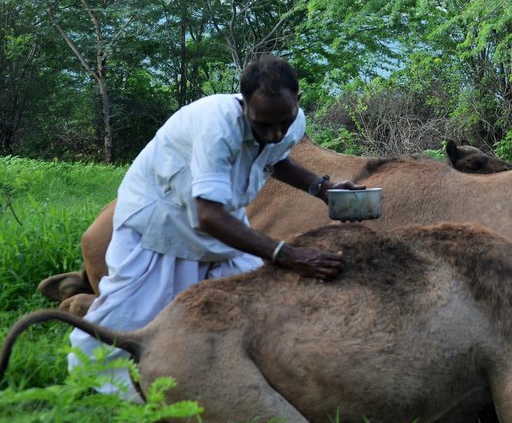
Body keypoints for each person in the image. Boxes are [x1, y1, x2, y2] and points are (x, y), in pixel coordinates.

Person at [68, 55, 357, 399]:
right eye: (262, 124)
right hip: (163, 216)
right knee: (135, 310)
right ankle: (95, 387)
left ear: (297, 100)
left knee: (242, 298)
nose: (275, 132)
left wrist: (322, 189)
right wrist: (286, 254)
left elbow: (274, 157)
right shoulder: (217, 127)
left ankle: (200, 374)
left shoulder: (288, 123)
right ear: (243, 103)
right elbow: (206, 215)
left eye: (283, 121)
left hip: (222, 214)